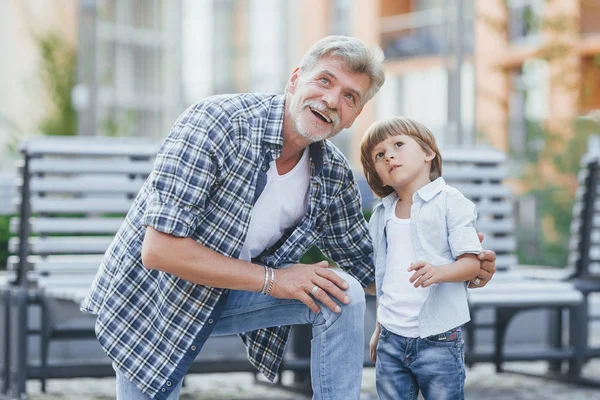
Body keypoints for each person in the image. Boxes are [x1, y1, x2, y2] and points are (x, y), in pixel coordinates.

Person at [81, 36, 496, 400]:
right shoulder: (215, 123)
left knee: (343, 293)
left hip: (234, 295)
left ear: (354, 116)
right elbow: (159, 251)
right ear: (296, 78)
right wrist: (276, 281)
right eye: (325, 80)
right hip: (155, 299)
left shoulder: (330, 172)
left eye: (350, 97)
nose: (332, 100)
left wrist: (457, 267)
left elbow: (370, 269)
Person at [361, 116, 485, 400]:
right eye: (379, 154)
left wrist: (440, 272)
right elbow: (384, 277)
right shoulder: (381, 214)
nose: (389, 154)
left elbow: (472, 264)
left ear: (428, 152)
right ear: (378, 174)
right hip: (391, 339)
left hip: (439, 339)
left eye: (398, 144)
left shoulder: (451, 202)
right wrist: (379, 328)